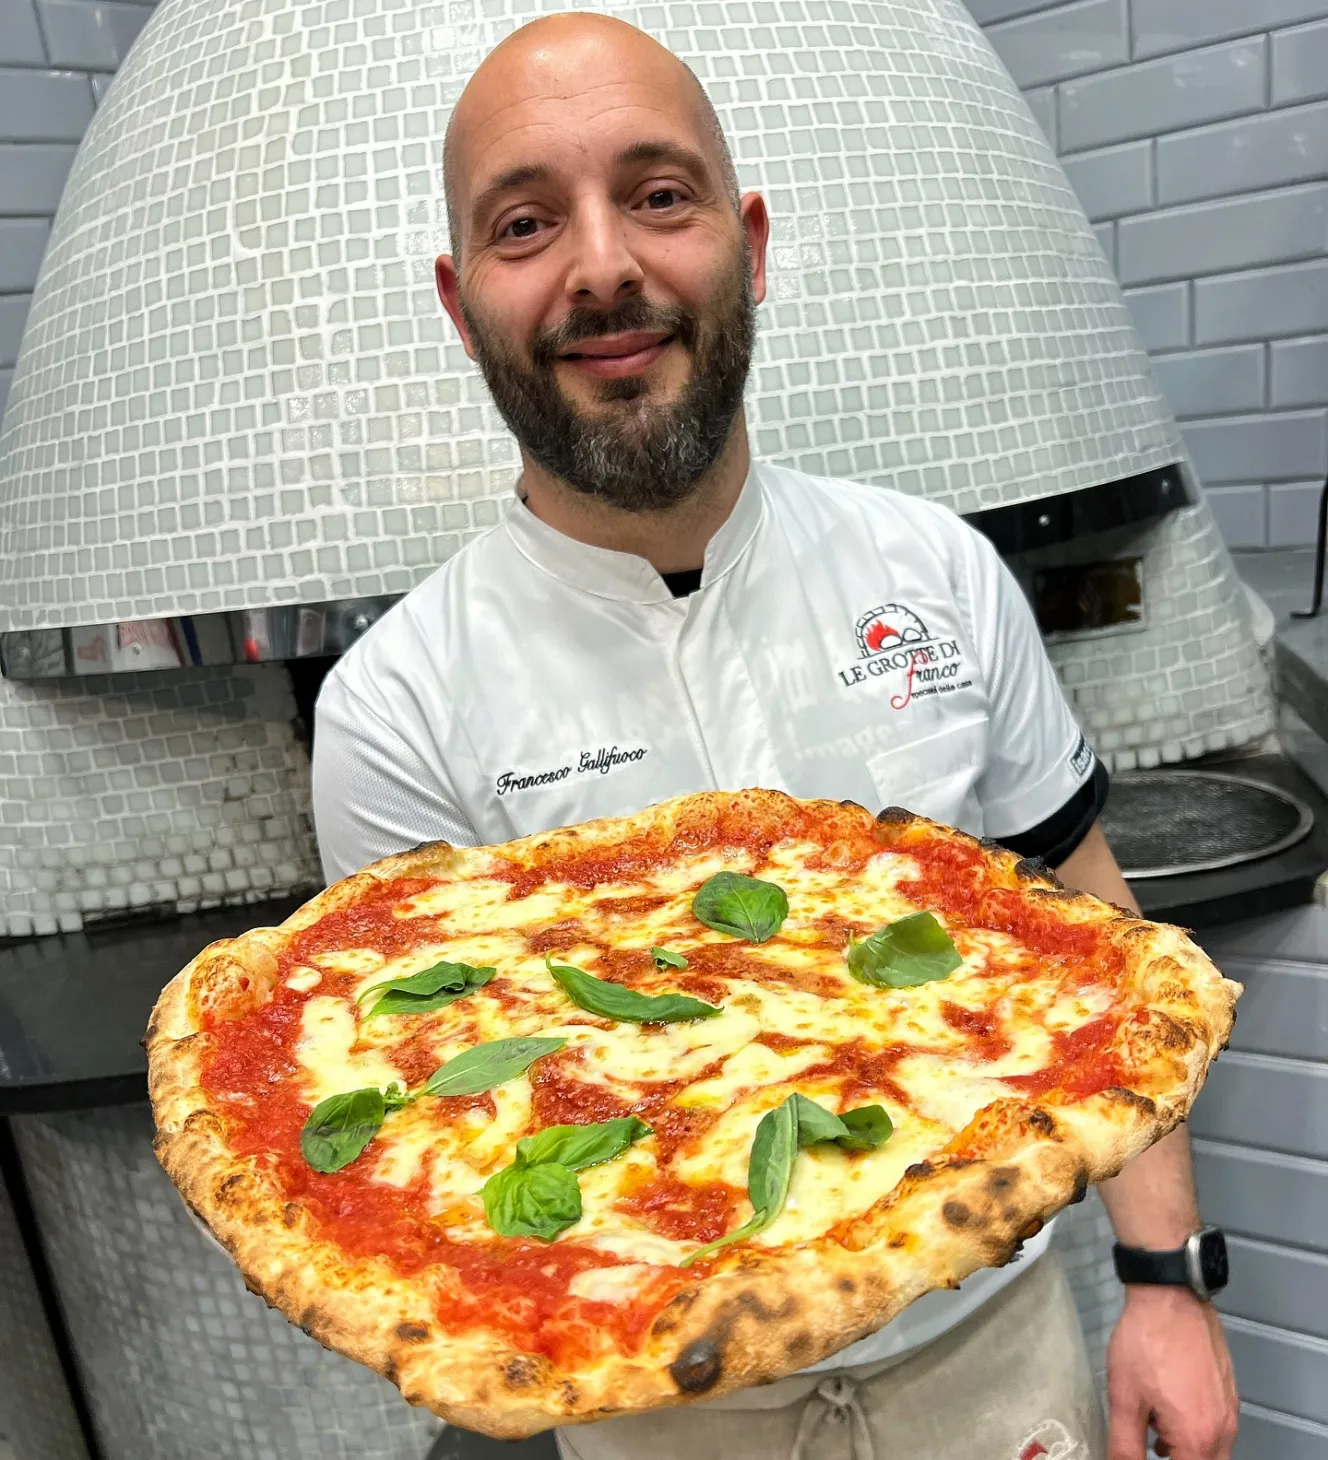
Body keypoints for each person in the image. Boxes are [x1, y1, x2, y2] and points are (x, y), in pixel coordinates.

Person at [310, 14, 1239, 1460]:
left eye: (658, 195)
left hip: (997, 1357)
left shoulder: (932, 572)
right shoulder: (390, 709)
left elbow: (1098, 945)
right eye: (526, 222)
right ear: (460, 297)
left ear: (745, 240)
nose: (604, 265)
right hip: (655, 1408)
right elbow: (436, 1154)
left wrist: (1167, 1283)